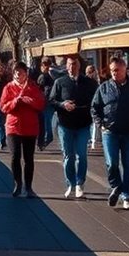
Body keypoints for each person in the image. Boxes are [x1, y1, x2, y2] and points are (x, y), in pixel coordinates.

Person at [92, 57, 129, 210]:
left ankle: (127, 196)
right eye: (112, 70)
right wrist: (100, 125)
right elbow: (95, 107)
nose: (114, 73)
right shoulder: (104, 87)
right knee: (112, 163)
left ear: (125, 70)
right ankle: (116, 186)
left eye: (117, 70)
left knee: (128, 164)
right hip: (110, 131)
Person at [49, 55, 97, 199]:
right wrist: (63, 104)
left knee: (81, 156)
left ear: (79, 66)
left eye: (74, 64)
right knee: (68, 156)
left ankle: (80, 183)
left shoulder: (89, 83)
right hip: (65, 124)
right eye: (69, 64)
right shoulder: (60, 82)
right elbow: (51, 100)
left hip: (83, 124)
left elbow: (96, 101)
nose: (71, 67)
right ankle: (70, 183)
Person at [0, 61, 46, 198]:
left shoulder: (33, 87)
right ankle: (17, 184)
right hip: (13, 126)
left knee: (28, 158)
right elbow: (3, 107)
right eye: (15, 72)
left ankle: (28, 187)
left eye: (20, 72)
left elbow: (40, 104)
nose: (18, 74)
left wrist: (28, 101)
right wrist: (15, 101)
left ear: (26, 73)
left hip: (30, 127)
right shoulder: (8, 88)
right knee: (15, 156)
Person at [36, 58, 56, 150]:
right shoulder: (54, 74)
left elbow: (39, 89)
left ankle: (47, 138)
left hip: (45, 102)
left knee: (45, 121)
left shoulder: (43, 76)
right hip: (51, 102)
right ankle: (45, 139)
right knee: (48, 121)